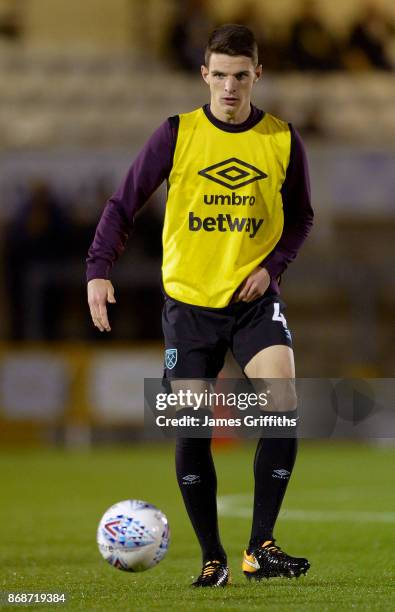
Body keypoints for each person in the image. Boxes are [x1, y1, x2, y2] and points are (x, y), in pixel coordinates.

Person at [87, 24, 313, 587]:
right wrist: (97, 271)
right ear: (204, 74)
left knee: (282, 404)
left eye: (241, 76)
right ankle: (213, 558)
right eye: (221, 75)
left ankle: (261, 546)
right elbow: (124, 204)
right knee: (191, 432)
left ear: (257, 75)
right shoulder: (177, 133)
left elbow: (301, 217)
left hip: (253, 302)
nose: (230, 87)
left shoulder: (283, 140)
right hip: (188, 307)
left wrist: (272, 268)